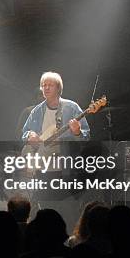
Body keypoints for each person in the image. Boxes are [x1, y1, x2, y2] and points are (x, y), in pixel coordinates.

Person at [21, 72, 90, 229]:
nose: (45, 88)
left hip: (65, 169)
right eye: (43, 85)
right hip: (43, 169)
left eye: (49, 85)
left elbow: (86, 136)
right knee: (45, 211)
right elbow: (24, 133)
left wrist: (77, 132)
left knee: (68, 212)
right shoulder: (36, 111)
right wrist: (29, 135)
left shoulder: (72, 108)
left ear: (59, 88)